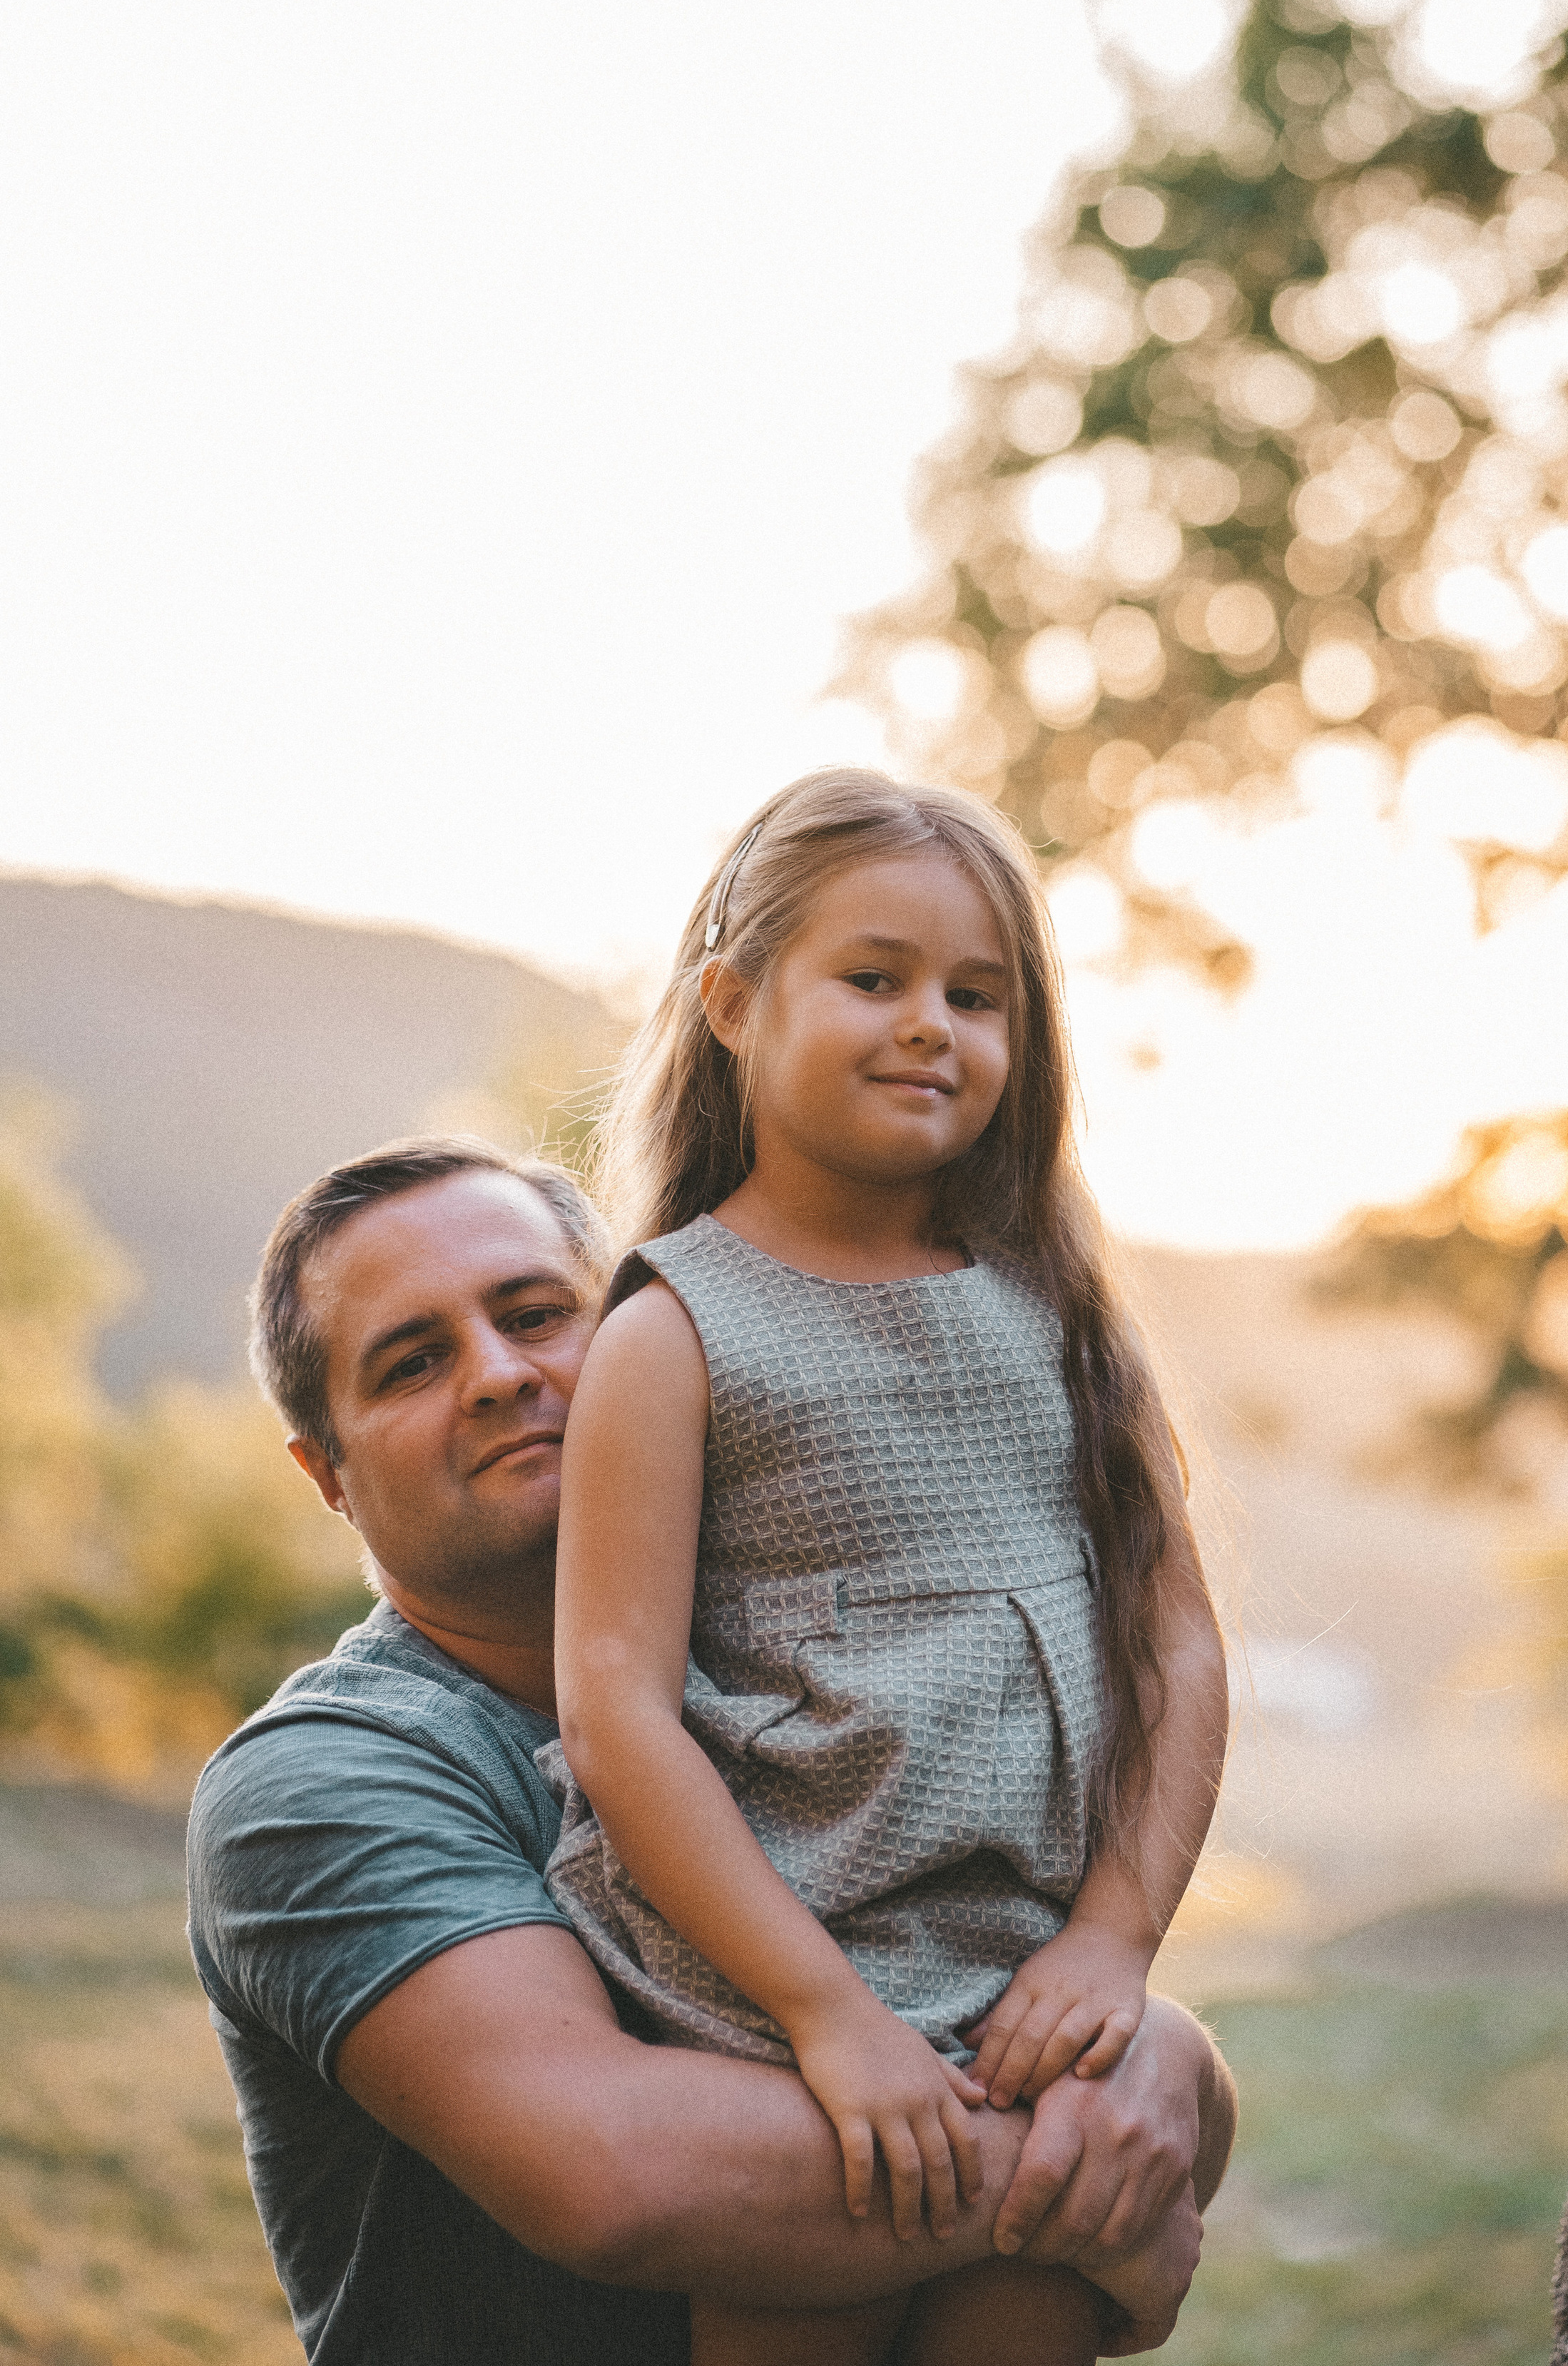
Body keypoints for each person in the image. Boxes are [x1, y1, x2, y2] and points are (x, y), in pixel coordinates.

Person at [188, 1133, 1235, 2366]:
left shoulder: (820, 1686)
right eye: (412, 1363)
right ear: (330, 1476)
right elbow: (618, 2175)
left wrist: (1172, 2070)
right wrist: (1085, 2186)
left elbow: (999, 1984)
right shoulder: (320, 1782)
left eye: (537, 1313)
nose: (496, 1374)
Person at [545, 768, 1231, 2365]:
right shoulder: (673, 1331)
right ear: (732, 1002)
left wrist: (1114, 1937)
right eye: (875, 979)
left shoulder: (1056, 1315)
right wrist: (823, 2018)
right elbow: (618, 1712)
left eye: (975, 996)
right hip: (775, 2011)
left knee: (1023, 2309)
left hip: (1030, 1998)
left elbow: (1174, 1652)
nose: (932, 1024)